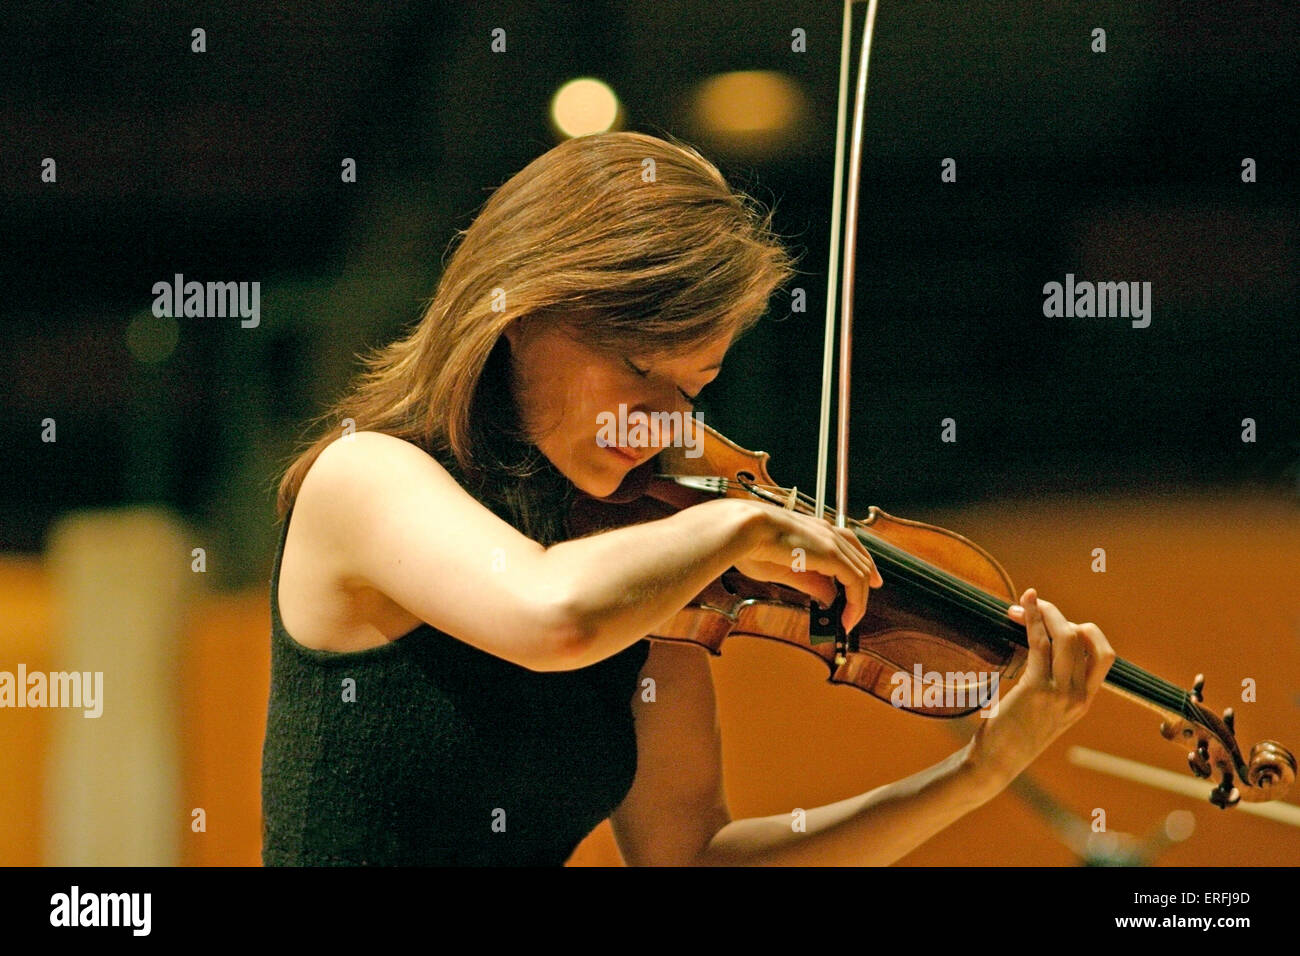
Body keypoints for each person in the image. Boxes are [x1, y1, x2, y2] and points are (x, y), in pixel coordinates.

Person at [261, 130, 1115, 866]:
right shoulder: (364, 479)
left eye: (694, 383)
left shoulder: (650, 545)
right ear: (516, 314)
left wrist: (977, 776)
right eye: (638, 369)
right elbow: (550, 615)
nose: (662, 423)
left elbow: (692, 855)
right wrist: (738, 524)